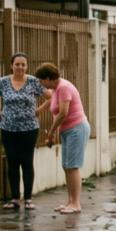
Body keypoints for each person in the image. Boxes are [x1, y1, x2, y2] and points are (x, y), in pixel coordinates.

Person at [0, 53, 48, 210]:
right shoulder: (3, 82)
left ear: (27, 66)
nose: (20, 67)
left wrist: (38, 111)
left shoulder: (33, 82)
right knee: (12, 162)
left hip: (29, 128)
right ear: (11, 65)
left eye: (23, 64)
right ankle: (14, 198)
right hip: (8, 128)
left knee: (26, 161)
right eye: (17, 64)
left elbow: (51, 97)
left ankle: (29, 199)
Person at [35, 63, 89, 214]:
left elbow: (63, 112)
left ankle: (76, 203)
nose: (41, 84)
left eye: (41, 81)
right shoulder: (56, 89)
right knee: (66, 166)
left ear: (48, 78)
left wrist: (51, 132)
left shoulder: (64, 87)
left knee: (72, 166)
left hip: (76, 129)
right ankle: (70, 201)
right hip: (67, 131)